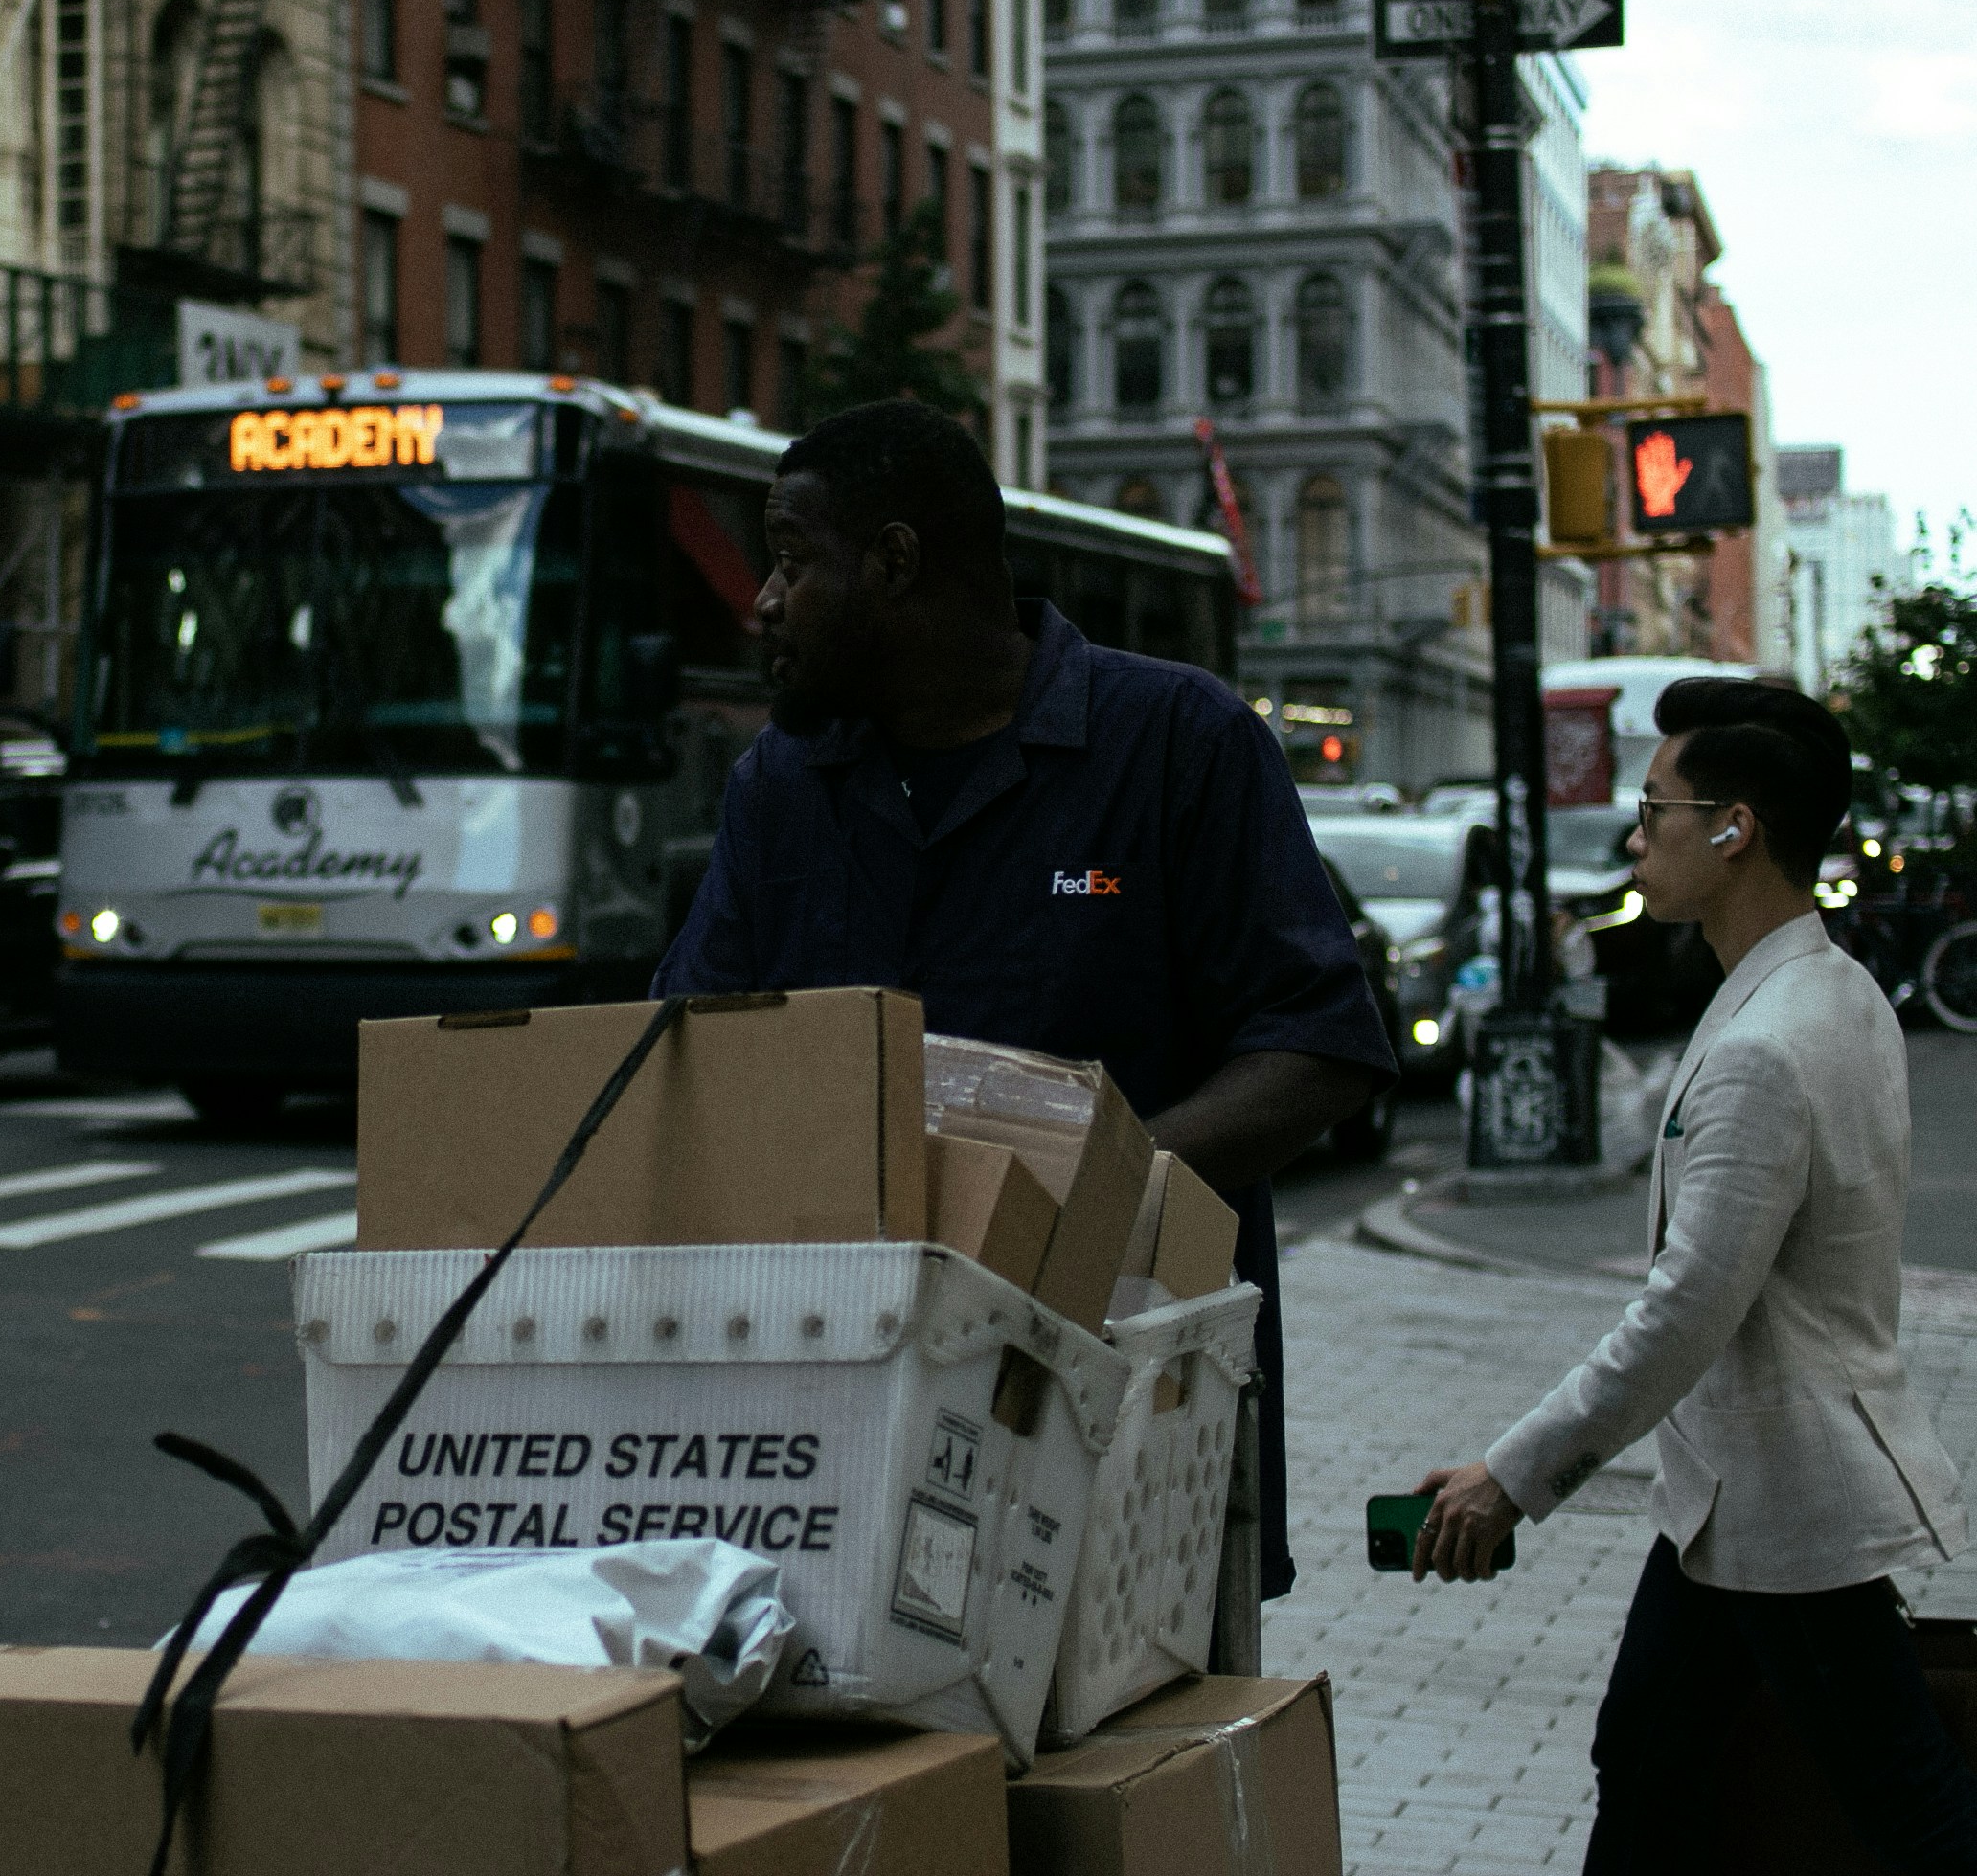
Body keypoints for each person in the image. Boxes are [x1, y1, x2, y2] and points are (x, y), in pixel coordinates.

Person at [654, 399, 1397, 1601]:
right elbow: (690, 1060)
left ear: (895, 563)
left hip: (1128, 1423)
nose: (764, 600)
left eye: (792, 559)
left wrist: (1071, 1199)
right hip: (847, 1424)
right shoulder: (781, 788)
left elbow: (1316, 1048)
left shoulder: (1178, 742)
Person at [1411, 678, 1977, 1874]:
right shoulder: (1833, 986)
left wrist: (1514, 1476)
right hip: (1727, 1499)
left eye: (1654, 807)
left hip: (1790, 1500)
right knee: (1650, 1754)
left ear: (1735, 827)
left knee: (1909, 1807)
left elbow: (1683, 1310)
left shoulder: (1769, 1044)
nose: (1635, 836)